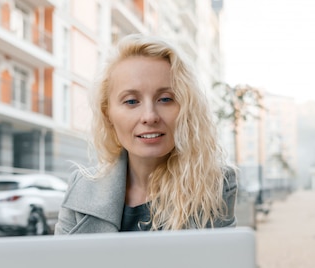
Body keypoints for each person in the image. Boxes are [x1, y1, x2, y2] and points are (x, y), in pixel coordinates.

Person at [55, 34, 238, 234]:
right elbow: (61, 265)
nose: (150, 117)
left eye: (166, 99)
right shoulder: (81, 188)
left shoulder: (213, 185)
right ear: (108, 113)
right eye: (132, 101)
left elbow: (222, 263)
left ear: (186, 108)